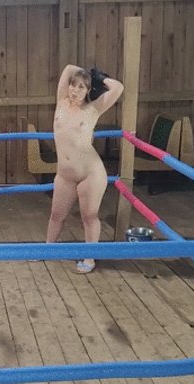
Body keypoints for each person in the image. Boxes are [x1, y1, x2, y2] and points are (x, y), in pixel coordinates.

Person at [47, 64, 123, 274]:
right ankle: (47, 249)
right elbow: (68, 68)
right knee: (56, 215)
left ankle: (90, 258)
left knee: (89, 216)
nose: (75, 90)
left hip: (90, 173)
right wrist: (87, 73)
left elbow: (118, 88)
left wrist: (100, 78)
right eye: (73, 85)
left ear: (88, 90)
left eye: (82, 87)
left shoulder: (93, 109)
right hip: (65, 174)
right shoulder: (61, 102)